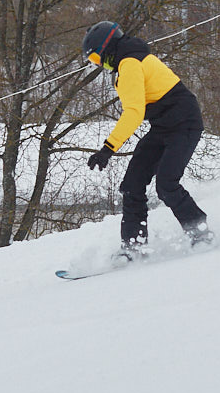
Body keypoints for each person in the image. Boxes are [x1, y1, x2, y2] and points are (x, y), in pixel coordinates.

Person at [82, 21, 212, 257]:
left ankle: (200, 233)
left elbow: (134, 111)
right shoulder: (127, 61)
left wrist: (107, 149)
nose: (99, 65)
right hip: (162, 126)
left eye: (96, 59)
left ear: (105, 48)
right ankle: (133, 247)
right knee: (132, 186)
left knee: (166, 184)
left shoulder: (130, 63)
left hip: (184, 123)